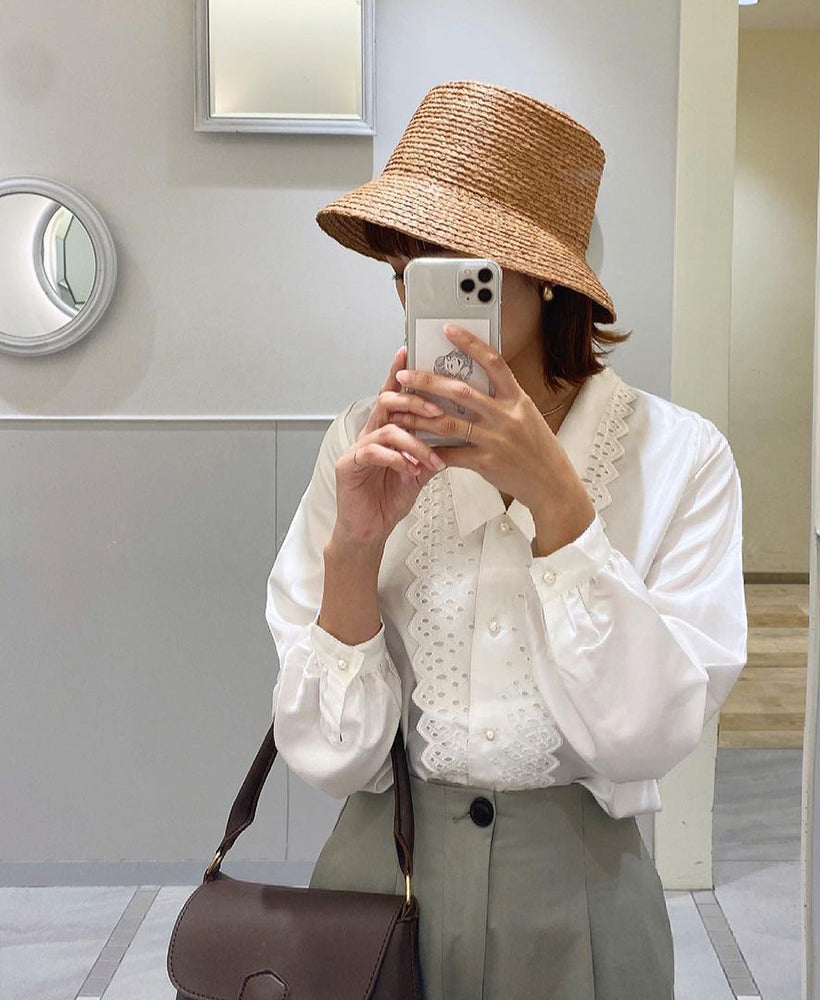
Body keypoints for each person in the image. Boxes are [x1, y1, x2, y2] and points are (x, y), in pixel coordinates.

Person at [266, 79, 748, 1000]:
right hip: (382, 880)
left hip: (580, 898)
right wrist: (356, 548)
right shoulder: (362, 444)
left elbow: (647, 740)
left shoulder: (679, 457)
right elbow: (332, 756)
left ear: (544, 277)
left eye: (458, 269)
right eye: (406, 271)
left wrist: (559, 507)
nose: (424, 299)